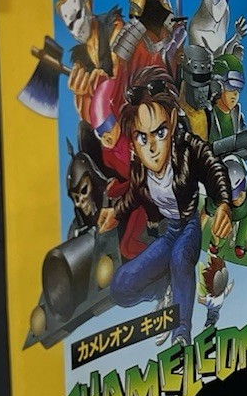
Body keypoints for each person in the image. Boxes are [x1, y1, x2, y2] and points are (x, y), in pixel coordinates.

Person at [98, 67, 232, 344]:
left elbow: (213, 167)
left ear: (171, 122)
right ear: (133, 139)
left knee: (180, 259)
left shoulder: (187, 148)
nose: (152, 147)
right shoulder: (140, 168)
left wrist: (223, 204)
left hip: (188, 226)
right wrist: (116, 213)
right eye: (142, 138)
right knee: (121, 287)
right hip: (168, 232)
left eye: (159, 133)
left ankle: (181, 332)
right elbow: (134, 195)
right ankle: (164, 291)